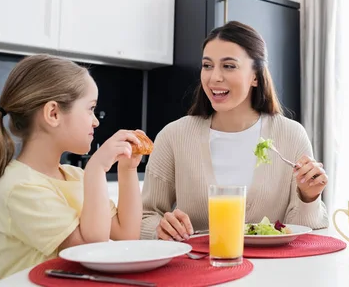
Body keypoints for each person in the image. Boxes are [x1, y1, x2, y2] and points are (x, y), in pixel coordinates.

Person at [141, 21, 329, 240]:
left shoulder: (291, 136)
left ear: (256, 76)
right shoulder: (174, 137)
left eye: (229, 66)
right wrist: (160, 229)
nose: (214, 77)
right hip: (199, 269)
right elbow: (146, 216)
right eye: (207, 65)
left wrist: (308, 197)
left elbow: (301, 233)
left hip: (273, 271)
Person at [0, 54, 144, 284]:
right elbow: (91, 253)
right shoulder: (21, 189)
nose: (96, 121)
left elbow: (127, 235)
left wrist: (127, 170)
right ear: (53, 114)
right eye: (90, 109)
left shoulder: (74, 176)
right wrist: (96, 168)